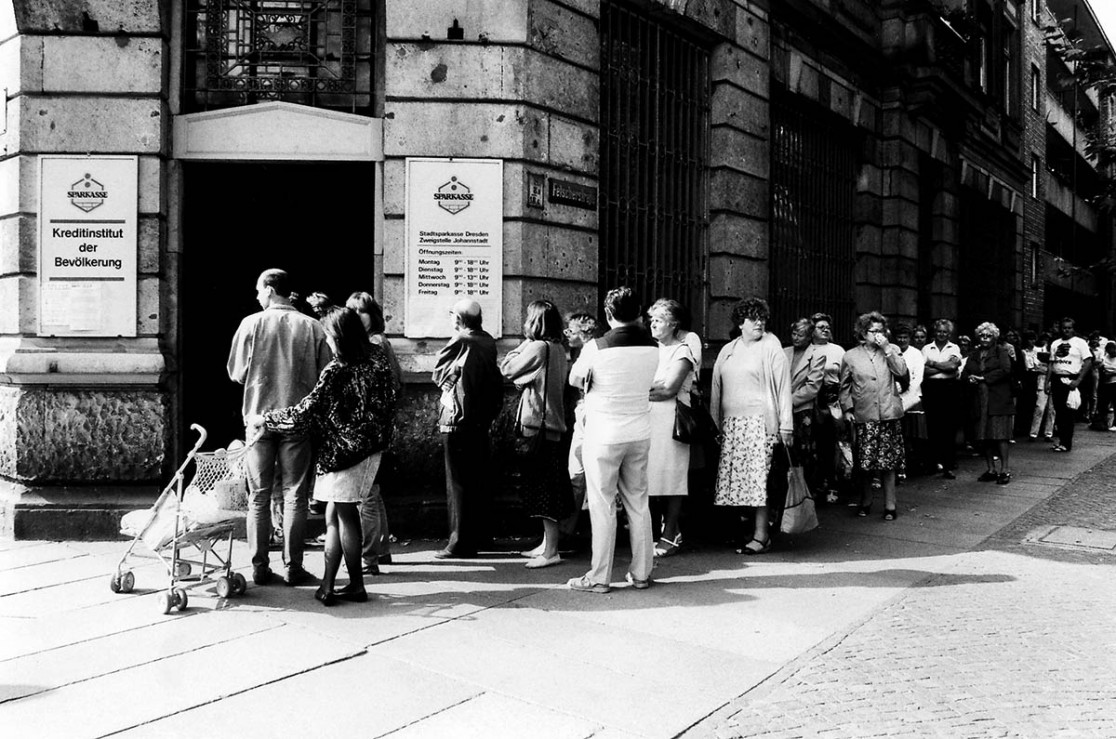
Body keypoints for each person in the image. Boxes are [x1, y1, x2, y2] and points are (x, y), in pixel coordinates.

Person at [247, 307, 398, 606]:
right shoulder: (377, 359)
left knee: (345, 515)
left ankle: (351, 584)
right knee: (334, 514)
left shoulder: (338, 368)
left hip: (344, 453)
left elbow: (307, 410)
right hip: (366, 448)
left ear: (338, 337)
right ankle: (332, 583)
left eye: (329, 336)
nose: (327, 342)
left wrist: (266, 419)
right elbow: (390, 401)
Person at [228, 268, 332, 587]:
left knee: (258, 496)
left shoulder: (250, 324)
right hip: (297, 421)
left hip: (259, 420)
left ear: (271, 290)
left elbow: (237, 373)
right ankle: (293, 566)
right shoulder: (313, 327)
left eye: (259, 289)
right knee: (295, 495)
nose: (257, 295)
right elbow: (327, 375)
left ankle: (259, 568)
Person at [567, 287, 659, 594]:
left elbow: (575, 378)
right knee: (638, 502)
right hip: (639, 431)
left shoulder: (597, 346)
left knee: (602, 504)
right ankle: (643, 573)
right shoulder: (653, 346)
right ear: (639, 312)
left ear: (608, 314)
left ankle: (600, 576)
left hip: (604, 432)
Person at [711, 297, 793, 555]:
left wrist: (786, 426)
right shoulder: (729, 349)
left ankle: (762, 536)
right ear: (741, 322)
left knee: (759, 483)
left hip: (760, 424)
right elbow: (716, 388)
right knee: (739, 483)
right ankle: (746, 532)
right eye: (753, 318)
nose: (759, 323)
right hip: (733, 425)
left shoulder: (771, 346)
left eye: (763, 318)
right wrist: (716, 424)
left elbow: (783, 388)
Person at [501, 300, 573, 569]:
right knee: (549, 486)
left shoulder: (536, 347)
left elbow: (507, 368)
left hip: (537, 426)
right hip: (554, 425)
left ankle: (551, 551)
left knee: (544, 490)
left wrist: (521, 346)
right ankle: (546, 543)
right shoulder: (558, 348)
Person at [432, 299, 504, 558]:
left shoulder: (461, 339)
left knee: (458, 482)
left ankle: (459, 542)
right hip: (480, 418)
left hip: (457, 419)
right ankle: (483, 535)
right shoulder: (487, 340)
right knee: (479, 478)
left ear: (459, 319)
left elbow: (439, 375)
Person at [346, 291, 402, 575]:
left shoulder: (374, 344)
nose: (356, 317)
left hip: (370, 429)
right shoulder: (373, 343)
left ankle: (369, 559)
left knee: (365, 495)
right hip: (377, 427)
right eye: (351, 312)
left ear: (373, 315)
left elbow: (386, 387)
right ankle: (382, 550)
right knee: (374, 493)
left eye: (361, 311)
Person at [839, 312, 907, 520]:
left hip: (888, 414)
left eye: (881, 331)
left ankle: (890, 505)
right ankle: (866, 501)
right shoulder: (850, 356)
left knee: (888, 464)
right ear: (863, 332)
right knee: (865, 463)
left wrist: (887, 348)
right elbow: (844, 386)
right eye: (873, 331)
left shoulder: (892, 350)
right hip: (864, 413)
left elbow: (902, 372)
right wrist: (848, 409)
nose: (878, 335)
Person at [646, 299, 699, 558]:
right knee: (651, 475)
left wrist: (639, 392)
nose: (653, 323)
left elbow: (669, 389)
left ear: (673, 323)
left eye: (659, 319)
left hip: (672, 421)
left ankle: (670, 534)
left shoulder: (683, 351)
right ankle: (662, 530)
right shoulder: (651, 350)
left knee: (672, 478)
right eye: (652, 319)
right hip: (650, 419)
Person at [557, 312, 604, 544]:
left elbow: (574, 379)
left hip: (589, 412)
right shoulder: (580, 350)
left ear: (585, 334)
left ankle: (568, 530)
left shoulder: (590, 350)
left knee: (577, 471)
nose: (567, 335)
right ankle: (573, 526)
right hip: (588, 412)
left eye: (571, 332)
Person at [962, 322, 1014, 484]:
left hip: (998, 399)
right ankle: (991, 468)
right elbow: (965, 372)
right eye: (982, 336)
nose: (985, 339)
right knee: (984, 436)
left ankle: (1005, 470)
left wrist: (984, 378)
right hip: (980, 399)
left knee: (1000, 435)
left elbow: (1005, 370)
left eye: (988, 336)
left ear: (994, 337)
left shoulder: (1001, 352)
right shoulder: (974, 354)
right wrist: (969, 378)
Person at [784, 317, 825, 492]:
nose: (796, 338)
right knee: (785, 453)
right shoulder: (784, 352)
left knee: (803, 452)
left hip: (802, 409)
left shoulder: (817, 354)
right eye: (794, 333)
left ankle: (804, 491)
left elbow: (812, 387)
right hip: (783, 408)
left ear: (809, 337)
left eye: (800, 335)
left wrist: (788, 401)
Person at [810, 312, 845, 503]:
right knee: (812, 444)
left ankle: (833, 484)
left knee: (831, 444)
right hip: (812, 400)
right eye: (820, 327)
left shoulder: (838, 350)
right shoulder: (807, 350)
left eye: (827, 327)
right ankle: (816, 483)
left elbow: (845, 378)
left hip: (832, 400)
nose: (825, 330)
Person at [921, 318, 962, 479]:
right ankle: (932, 463)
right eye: (939, 331)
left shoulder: (955, 347)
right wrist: (944, 367)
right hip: (931, 389)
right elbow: (923, 371)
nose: (941, 334)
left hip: (949, 390)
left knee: (948, 428)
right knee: (932, 427)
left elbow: (953, 366)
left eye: (945, 331)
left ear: (949, 333)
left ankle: (948, 466)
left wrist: (932, 363)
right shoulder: (926, 348)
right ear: (934, 332)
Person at [1046, 317, 1093, 453]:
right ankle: (1061, 440)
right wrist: (1047, 382)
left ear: (1073, 329)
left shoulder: (1080, 343)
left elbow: (1088, 361)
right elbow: (1051, 363)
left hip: (1071, 379)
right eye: (1064, 327)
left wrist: (1078, 380)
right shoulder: (1055, 343)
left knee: (1068, 412)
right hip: (1057, 379)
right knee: (1058, 412)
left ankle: (1067, 442)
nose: (1066, 330)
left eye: (1069, 328)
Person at [894, 324, 927, 477]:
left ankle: (914, 466)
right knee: (899, 435)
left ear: (910, 338)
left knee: (913, 435)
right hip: (895, 397)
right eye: (899, 337)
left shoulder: (915, 354)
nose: (902, 340)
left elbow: (917, 377)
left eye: (905, 337)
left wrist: (907, 393)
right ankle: (899, 467)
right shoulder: (892, 352)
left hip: (912, 398)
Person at [1023, 330, 1054, 441]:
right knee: (1040, 407)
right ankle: (1033, 433)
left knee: (1051, 409)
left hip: (1054, 379)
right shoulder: (1038, 350)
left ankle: (1048, 433)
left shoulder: (1057, 351)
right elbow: (1037, 366)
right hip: (1042, 378)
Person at [1097, 342, 1116, 431]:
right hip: (1106, 383)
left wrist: (1112, 373)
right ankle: (1102, 422)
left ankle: (1115, 424)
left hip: (1115, 382)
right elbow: (1101, 368)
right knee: (1103, 404)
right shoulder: (1105, 358)